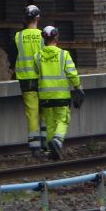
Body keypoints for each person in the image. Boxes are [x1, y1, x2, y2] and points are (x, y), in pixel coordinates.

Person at [35, 25, 83, 161]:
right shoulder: (64, 55)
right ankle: (57, 141)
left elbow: (36, 72)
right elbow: (72, 73)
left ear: (44, 38)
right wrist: (78, 87)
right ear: (56, 37)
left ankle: (52, 152)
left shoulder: (37, 56)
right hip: (61, 96)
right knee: (63, 120)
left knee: (50, 123)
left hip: (45, 96)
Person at [14, 5, 45, 155]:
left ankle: (35, 147)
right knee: (45, 110)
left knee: (32, 112)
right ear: (38, 18)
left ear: (24, 19)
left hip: (25, 79)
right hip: (42, 79)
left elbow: (13, 56)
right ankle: (46, 143)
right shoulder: (43, 36)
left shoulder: (18, 37)